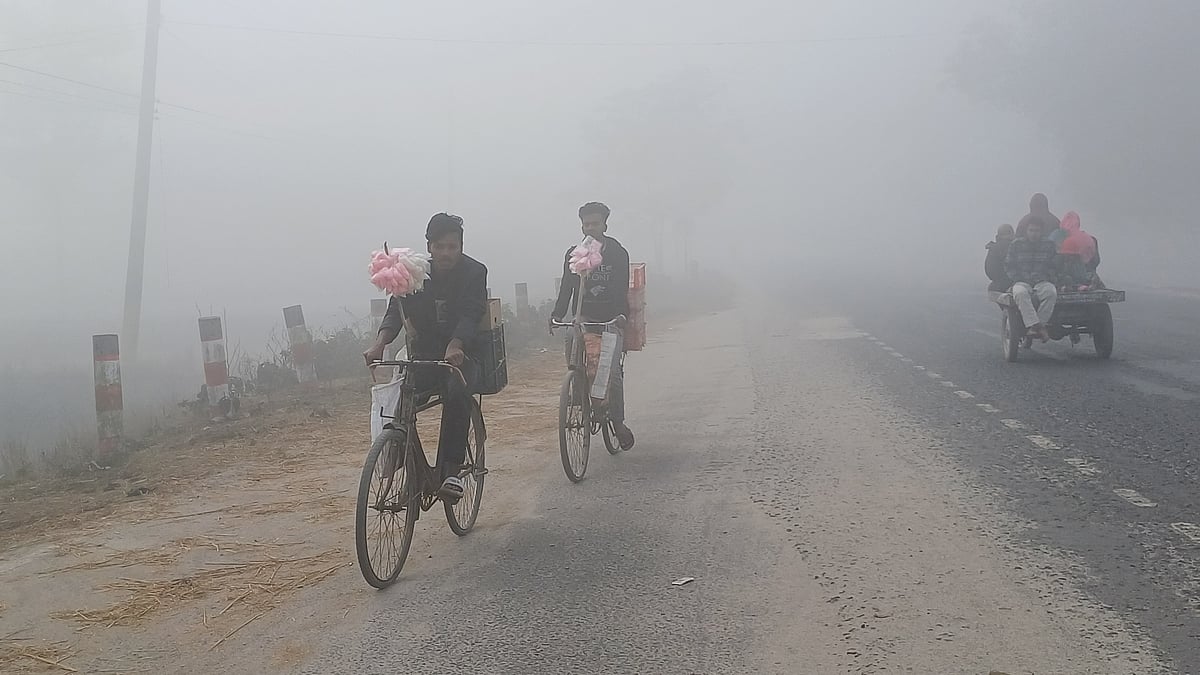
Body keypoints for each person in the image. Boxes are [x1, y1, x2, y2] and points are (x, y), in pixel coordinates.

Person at [363, 213, 487, 501]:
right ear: (429, 246)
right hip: (424, 355)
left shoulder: (474, 272)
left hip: (463, 355)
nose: (446, 253)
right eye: (440, 246)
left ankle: (451, 470)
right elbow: (397, 311)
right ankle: (402, 457)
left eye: (452, 247)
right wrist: (380, 344)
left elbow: (471, 312)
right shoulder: (415, 272)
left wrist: (456, 344)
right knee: (397, 397)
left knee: (457, 393)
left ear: (460, 246)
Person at [551, 201, 635, 450]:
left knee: (612, 372)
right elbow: (567, 288)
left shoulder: (618, 253)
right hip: (583, 316)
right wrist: (557, 314)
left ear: (604, 224)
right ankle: (579, 392)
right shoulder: (574, 254)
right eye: (586, 224)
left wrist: (621, 315)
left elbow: (621, 288)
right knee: (572, 346)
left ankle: (617, 422)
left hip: (611, 317)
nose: (590, 228)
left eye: (595, 223)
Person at [1005, 216, 1059, 341]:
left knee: (1051, 293)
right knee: (1020, 293)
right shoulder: (1016, 244)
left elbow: (1054, 266)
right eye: (1031, 230)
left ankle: (1035, 328)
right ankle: (1039, 327)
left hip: (1042, 281)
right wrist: (1018, 278)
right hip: (1022, 281)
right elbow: (1009, 265)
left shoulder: (1049, 245)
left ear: (1041, 231)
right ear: (1026, 231)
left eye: (1037, 231)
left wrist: (1047, 277)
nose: (1034, 233)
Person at [1056, 211, 1100, 291]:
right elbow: (1096, 261)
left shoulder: (1061, 240)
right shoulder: (1092, 239)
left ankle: (1069, 286)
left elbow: (1057, 262)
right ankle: (1089, 284)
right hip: (1087, 273)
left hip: (1068, 274)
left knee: (1065, 277)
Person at [985, 224, 1015, 299]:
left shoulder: (993, 247)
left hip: (996, 285)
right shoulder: (1015, 246)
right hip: (1013, 283)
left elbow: (990, 271)